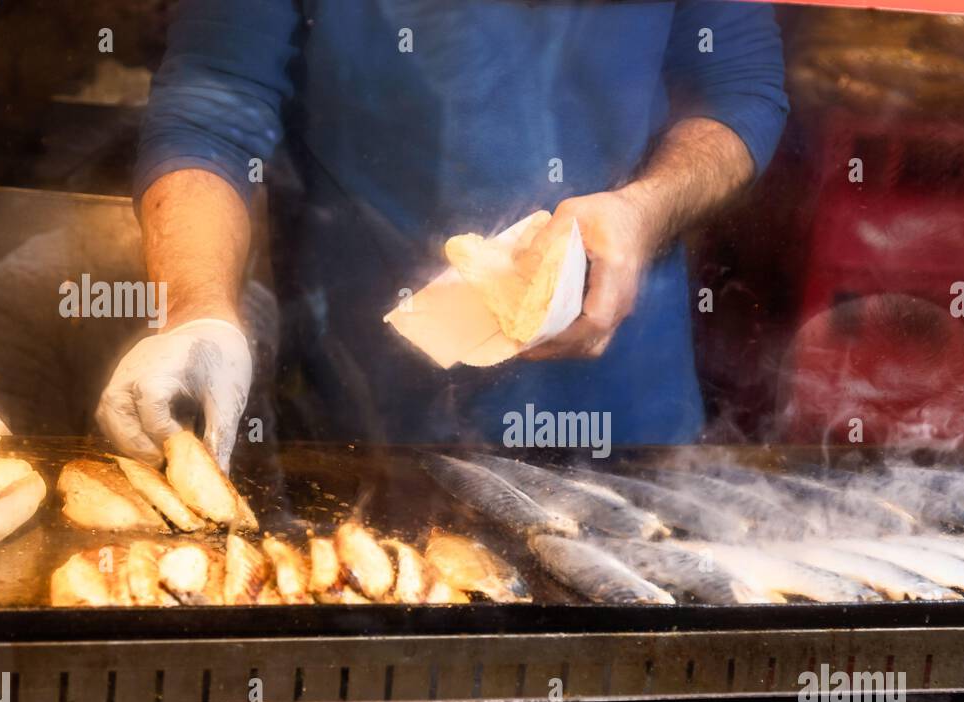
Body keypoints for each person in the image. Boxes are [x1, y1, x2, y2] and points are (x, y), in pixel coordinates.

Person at [97, 0, 789, 470]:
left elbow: (740, 89)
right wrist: (199, 310)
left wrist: (645, 208)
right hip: (364, 420)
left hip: (626, 419)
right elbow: (213, 106)